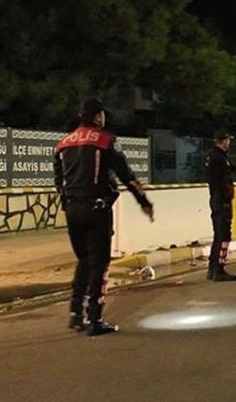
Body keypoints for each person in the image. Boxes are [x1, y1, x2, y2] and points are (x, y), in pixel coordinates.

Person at [54, 99, 154, 336]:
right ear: (98, 117)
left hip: (72, 210)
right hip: (96, 208)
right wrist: (144, 202)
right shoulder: (105, 140)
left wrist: (69, 201)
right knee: (99, 264)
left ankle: (75, 313)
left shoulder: (62, 145)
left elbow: (59, 181)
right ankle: (95, 319)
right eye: (102, 114)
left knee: (84, 261)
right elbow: (126, 175)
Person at [206, 129, 236, 282]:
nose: (229, 143)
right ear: (223, 140)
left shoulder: (216, 156)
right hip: (222, 201)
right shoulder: (219, 158)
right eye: (228, 140)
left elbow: (227, 168)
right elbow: (222, 178)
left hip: (216, 199)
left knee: (218, 236)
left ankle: (212, 269)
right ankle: (219, 270)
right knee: (224, 236)